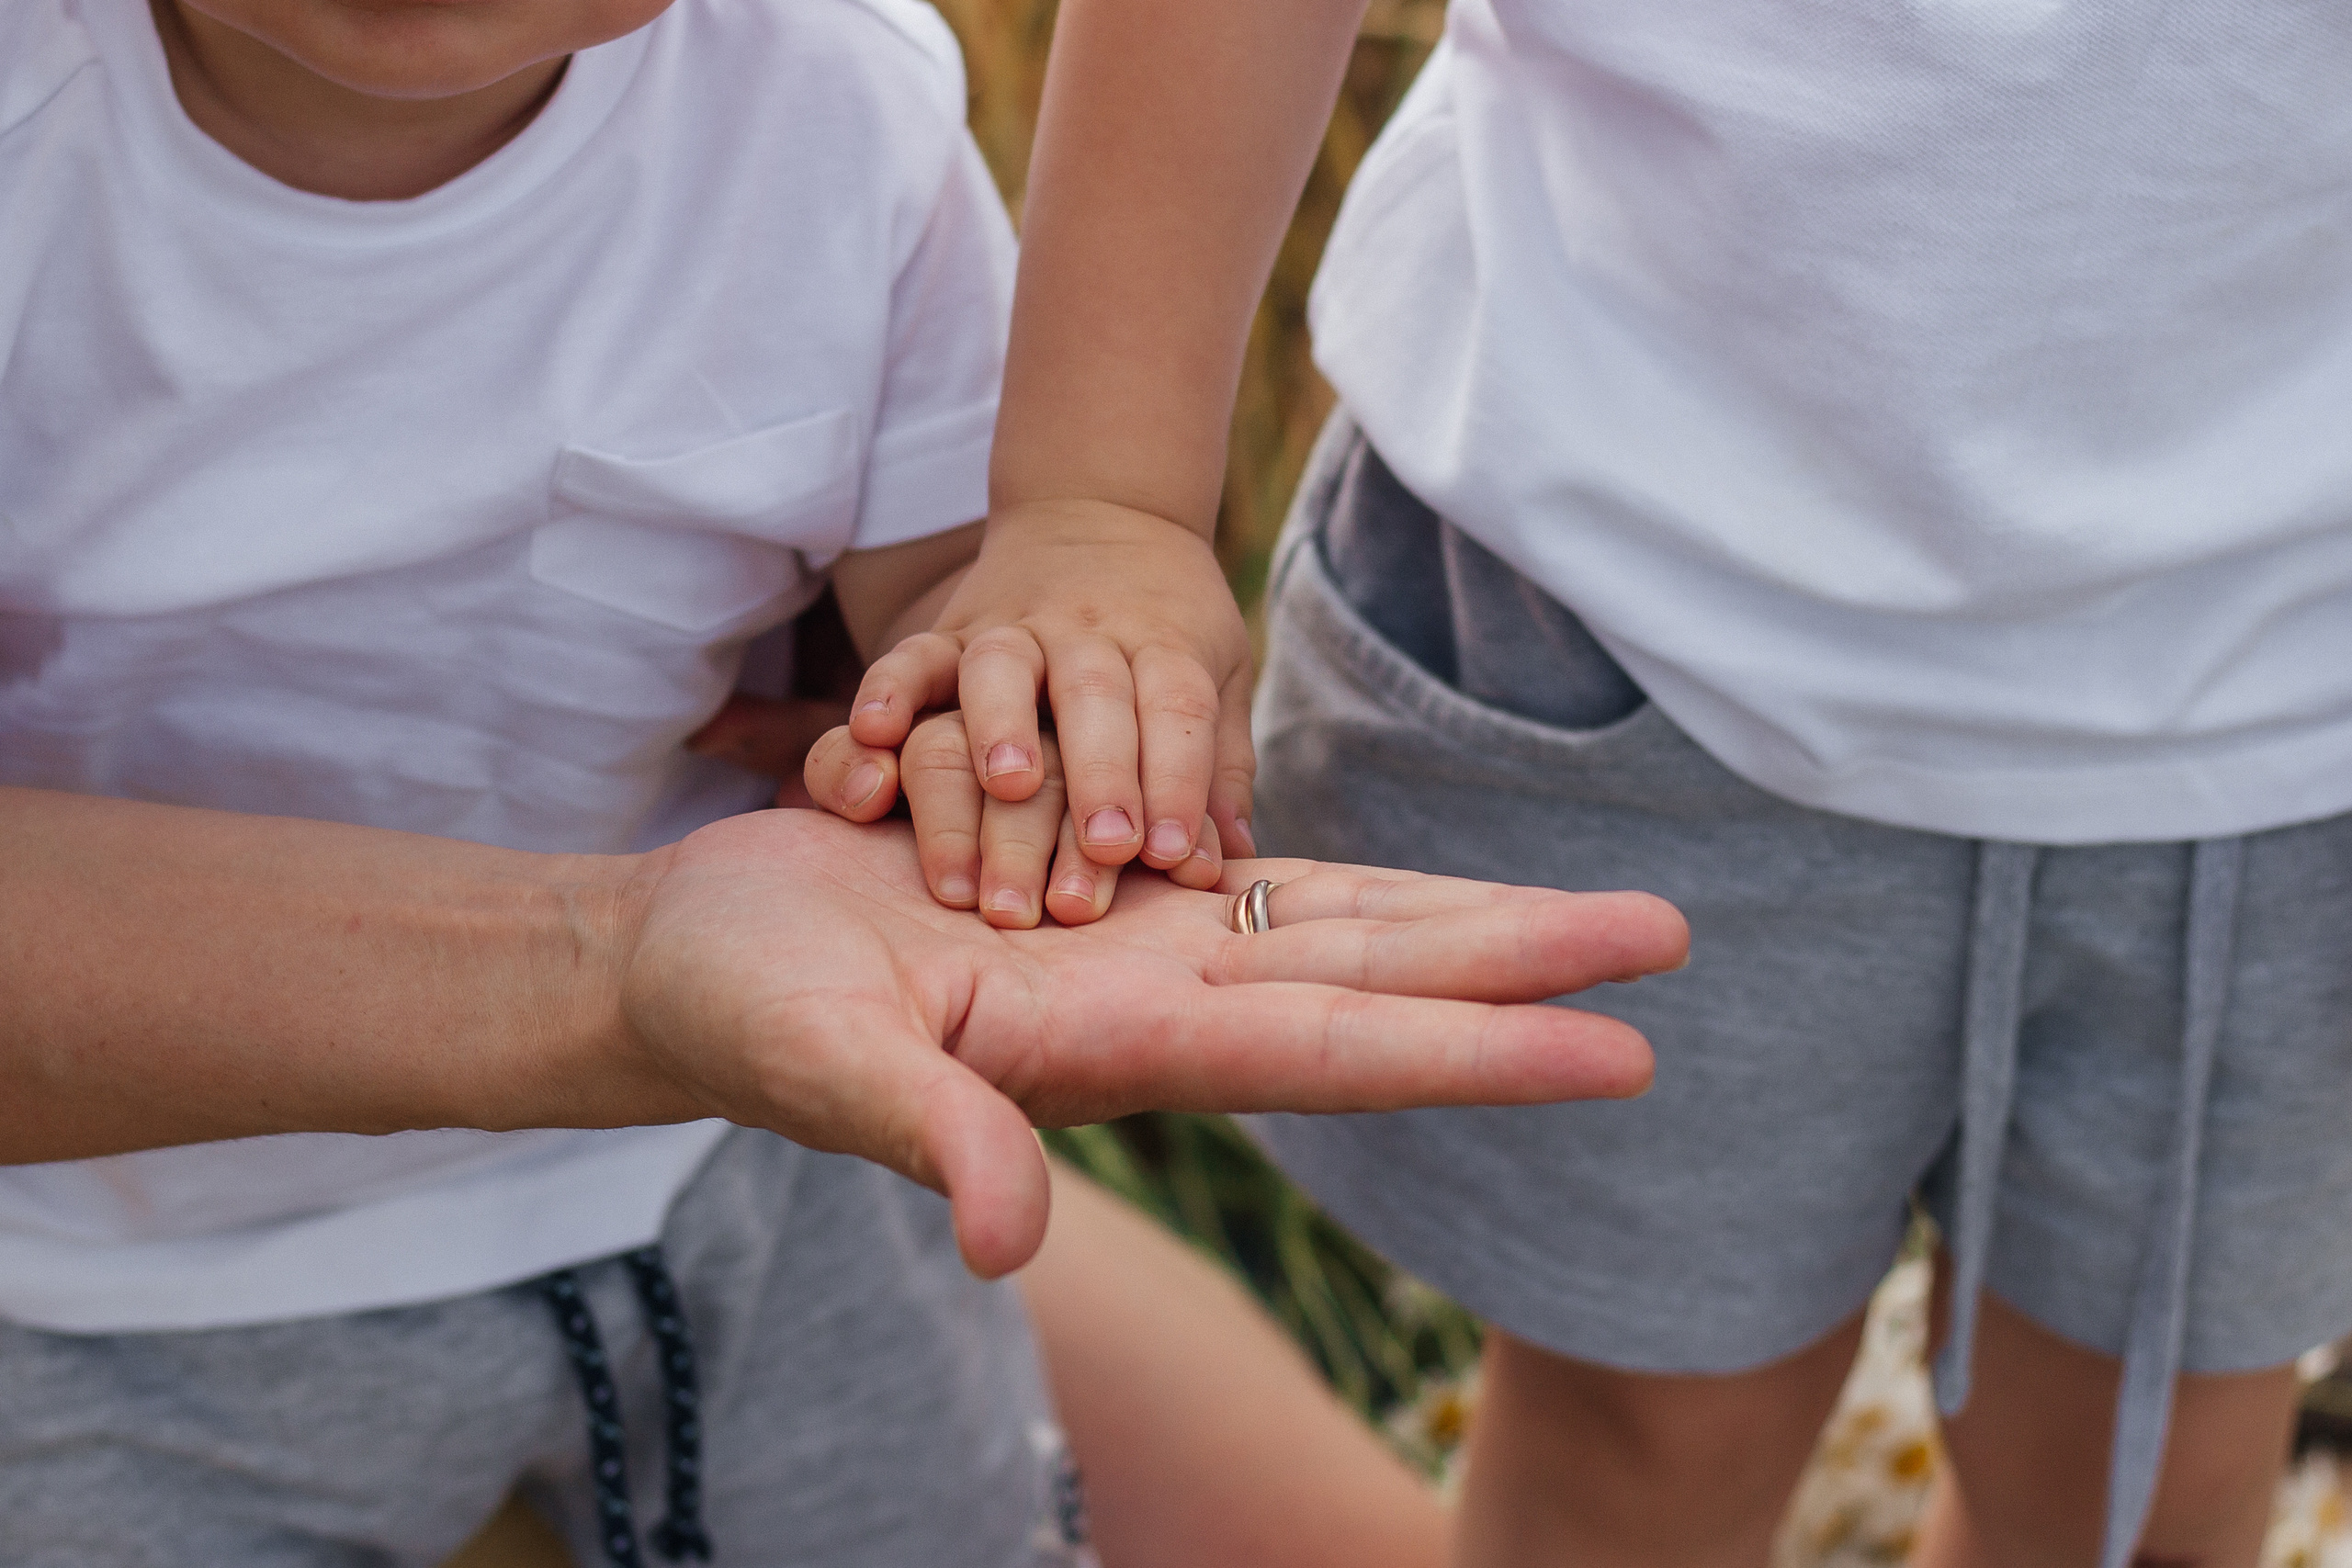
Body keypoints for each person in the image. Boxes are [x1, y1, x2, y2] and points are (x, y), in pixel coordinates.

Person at [0, 0, 1690, 1561]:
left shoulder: (832, 104)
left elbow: (953, 571)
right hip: (97, 1285)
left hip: (742, 1160)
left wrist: (1004, 705)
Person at [824, 2, 2352, 1566]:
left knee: (2152, 1470)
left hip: (2293, 680)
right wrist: (1104, 502)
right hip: (1646, 598)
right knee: (1643, 1448)